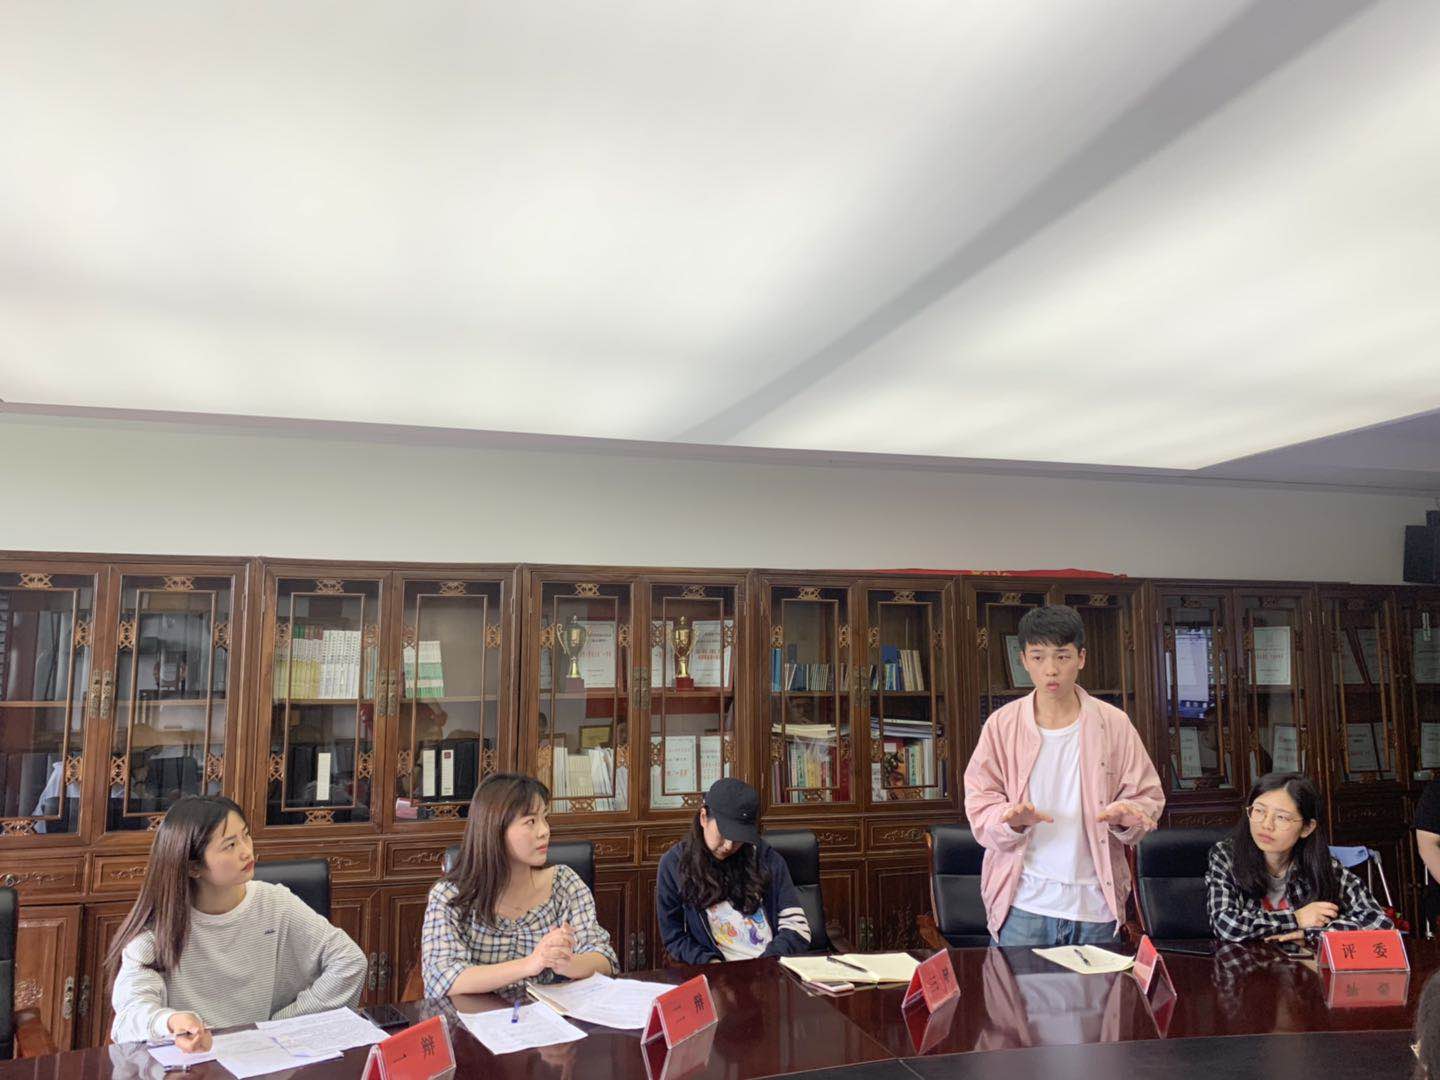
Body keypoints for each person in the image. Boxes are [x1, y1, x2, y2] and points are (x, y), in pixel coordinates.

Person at [964, 604, 1164, 946]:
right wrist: (1011, 820)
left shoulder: (1114, 723)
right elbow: (980, 801)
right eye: (1038, 657)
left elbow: (1147, 797)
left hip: (1095, 905)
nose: (1051, 669)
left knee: (1102, 985)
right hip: (1023, 904)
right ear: (1023, 660)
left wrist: (1124, 819)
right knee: (1013, 985)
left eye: (1062, 656)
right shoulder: (1002, 725)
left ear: (1081, 658)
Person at [108, 796, 366, 1049]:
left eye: (246, 835)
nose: (246, 851)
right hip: (197, 1060)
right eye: (230, 845)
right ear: (193, 867)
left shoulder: (276, 903)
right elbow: (129, 1016)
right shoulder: (157, 931)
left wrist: (280, 1026)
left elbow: (349, 962)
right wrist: (170, 1021)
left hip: (269, 1056)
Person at [420, 773, 616, 997]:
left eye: (545, 818)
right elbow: (442, 978)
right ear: (494, 829)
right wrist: (532, 963)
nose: (545, 831)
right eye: (530, 822)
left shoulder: (564, 883)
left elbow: (605, 959)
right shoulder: (450, 895)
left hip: (546, 1015)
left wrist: (567, 963)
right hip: (476, 1017)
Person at [1206, 771, 1393, 941]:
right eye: (1259, 811)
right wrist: (1296, 919)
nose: (1266, 825)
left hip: (1303, 964)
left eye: (1281, 817)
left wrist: (1311, 933)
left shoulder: (1322, 865)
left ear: (1307, 828)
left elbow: (1381, 924)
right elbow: (1226, 925)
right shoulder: (1227, 856)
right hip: (1246, 964)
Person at [656, 777, 812, 963]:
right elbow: (674, 938)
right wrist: (711, 964)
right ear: (703, 818)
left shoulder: (766, 858)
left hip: (771, 965)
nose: (729, 845)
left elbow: (797, 928)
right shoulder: (674, 865)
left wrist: (765, 964)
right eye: (723, 834)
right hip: (716, 970)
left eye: (738, 837)